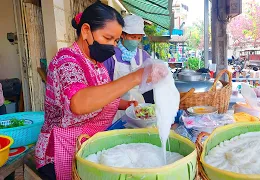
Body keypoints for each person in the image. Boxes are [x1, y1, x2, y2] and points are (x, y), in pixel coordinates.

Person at [35, 2, 166, 179]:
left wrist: (126, 104)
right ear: (86, 30)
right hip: (61, 151)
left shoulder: (97, 64)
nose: (112, 46)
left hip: (87, 144)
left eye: (116, 41)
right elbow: (79, 103)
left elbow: (101, 96)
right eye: (108, 38)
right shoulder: (66, 60)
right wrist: (136, 77)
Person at [103, 14, 153, 121]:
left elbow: (151, 78)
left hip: (138, 105)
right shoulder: (110, 55)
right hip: (115, 107)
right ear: (123, 35)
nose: (136, 40)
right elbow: (103, 86)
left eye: (139, 37)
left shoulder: (143, 56)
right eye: (132, 37)